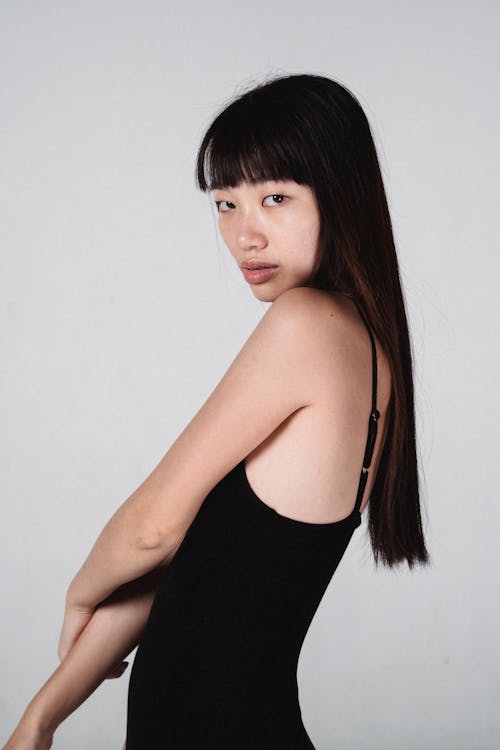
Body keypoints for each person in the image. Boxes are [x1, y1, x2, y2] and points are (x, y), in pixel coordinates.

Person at [2, 72, 430, 750]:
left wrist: (79, 592)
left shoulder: (306, 325)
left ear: (341, 198)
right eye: (225, 204)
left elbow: (151, 530)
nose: (244, 234)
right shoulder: (363, 346)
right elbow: (192, 572)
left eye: (275, 198)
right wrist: (43, 715)